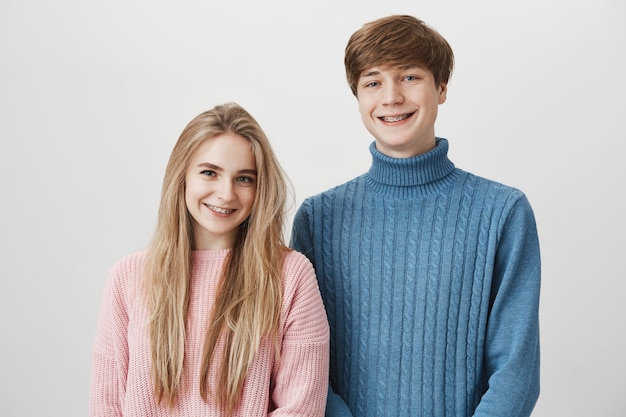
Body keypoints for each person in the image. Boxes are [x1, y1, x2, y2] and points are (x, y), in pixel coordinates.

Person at [290, 15, 541, 417]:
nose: (391, 97)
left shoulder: (503, 212)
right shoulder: (317, 220)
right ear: (357, 96)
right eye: (373, 82)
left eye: (409, 77)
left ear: (441, 88)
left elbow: (517, 369)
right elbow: (301, 366)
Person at [90, 102, 330, 416]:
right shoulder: (127, 277)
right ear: (182, 176)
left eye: (244, 178)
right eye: (209, 173)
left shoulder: (289, 275)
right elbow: (106, 406)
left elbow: (300, 408)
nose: (226, 193)